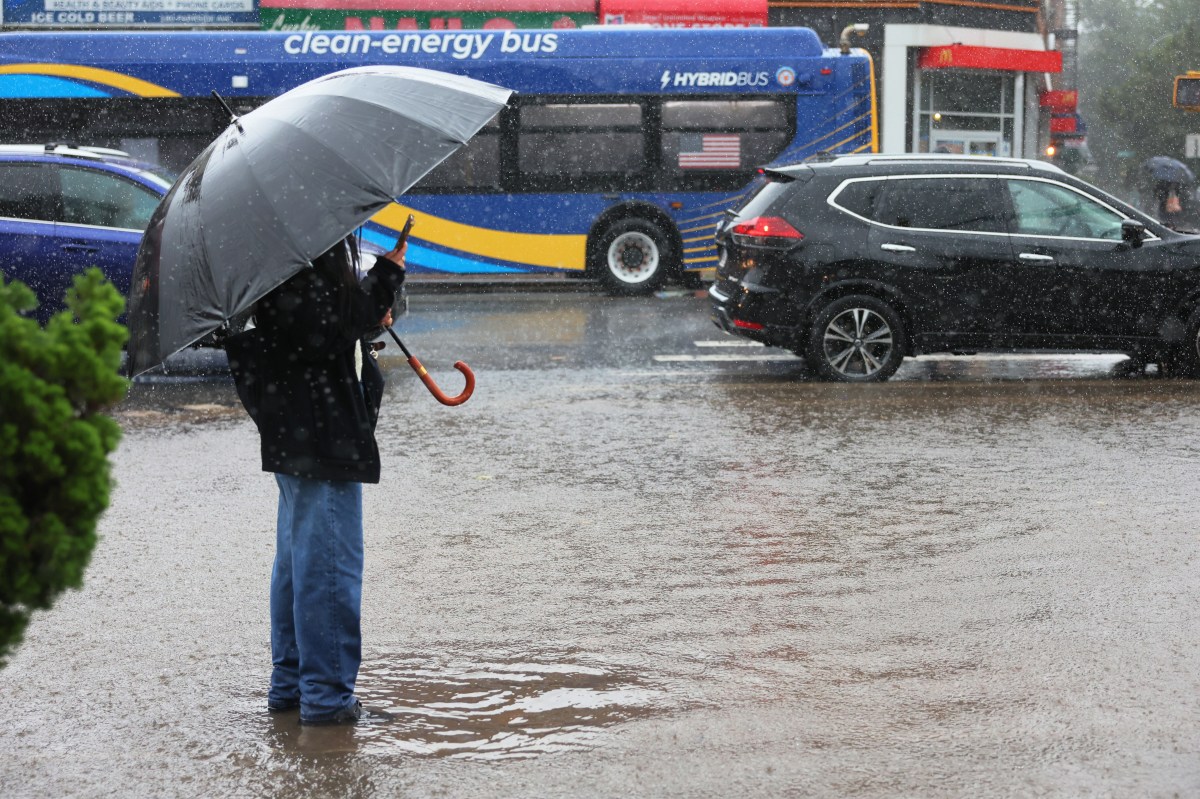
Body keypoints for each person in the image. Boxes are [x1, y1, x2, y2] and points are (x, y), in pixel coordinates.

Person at [228, 232, 407, 725]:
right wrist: (382, 282)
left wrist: (370, 306)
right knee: (328, 566)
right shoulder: (300, 243)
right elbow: (319, 328)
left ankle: (292, 689)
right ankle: (326, 700)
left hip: (300, 428)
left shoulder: (277, 241)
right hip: (319, 433)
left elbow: (321, 325)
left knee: (300, 559)